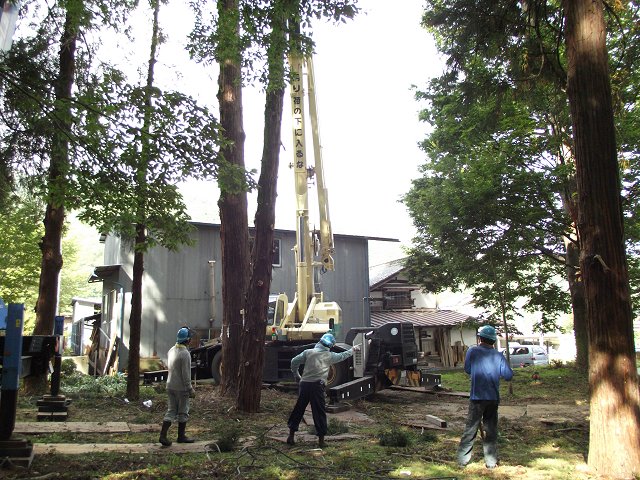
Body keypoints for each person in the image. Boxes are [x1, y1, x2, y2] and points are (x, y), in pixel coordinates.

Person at [286, 332, 360, 448]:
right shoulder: (329, 356)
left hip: (304, 385)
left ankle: (291, 436)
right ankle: (321, 441)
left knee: (299, 409)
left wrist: (296, 375)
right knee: (319, 411)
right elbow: (343, 355)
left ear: (320, 342)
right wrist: (353, 349)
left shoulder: (308, 352)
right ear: (330, 346)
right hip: (317, 386)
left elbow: (294, 361)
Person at [457, 325, 513, 469]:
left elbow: (468, 369)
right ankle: (491, 462)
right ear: (493, 341)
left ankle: (462, 461)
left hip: (477, 398)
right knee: (491, 430)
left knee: (470, 429)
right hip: (493, 398)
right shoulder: (498, 355)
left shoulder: (472, 351)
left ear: (480, 338)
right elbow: (508, 375)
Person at [159, 326, 196, 447]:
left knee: (171, 411)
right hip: (181, 388)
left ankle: (163, 436)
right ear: (188, 340)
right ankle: (181, 436)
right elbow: (186, 374)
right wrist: (190, 389)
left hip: (170, 385)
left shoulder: (171, 350)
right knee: (183, 412)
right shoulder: (185, 354)